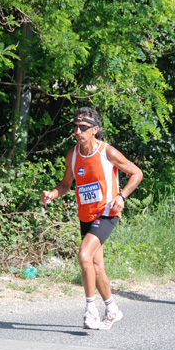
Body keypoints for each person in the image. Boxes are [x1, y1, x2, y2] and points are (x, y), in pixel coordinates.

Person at [41, 107, 143, 329]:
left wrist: (122, 196)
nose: (77, 131)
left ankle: (91, 311)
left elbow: (137, 173)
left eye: (83, 127)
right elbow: (66, 185)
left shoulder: (108, 152)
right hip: (86, 215)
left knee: (84, 255)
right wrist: (52, 194)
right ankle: (113, 309)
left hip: (107, 212)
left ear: (95, 130)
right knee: (96, 265)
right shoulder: (73, 154)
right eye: (75, 127)